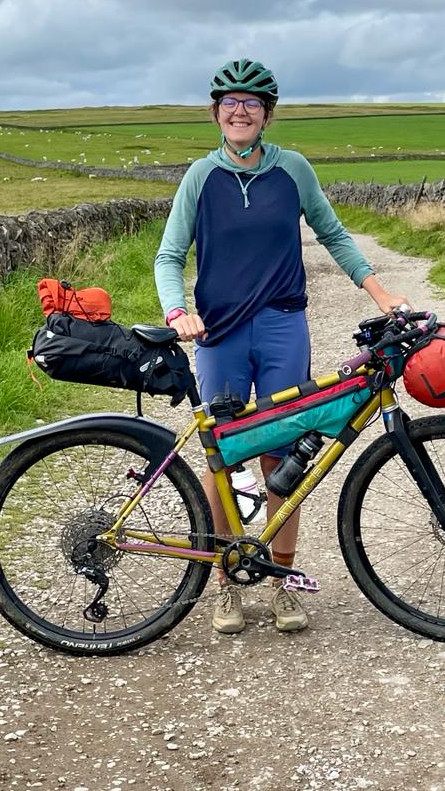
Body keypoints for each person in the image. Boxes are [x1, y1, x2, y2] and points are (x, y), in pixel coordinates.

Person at [154, 58, 408, 636]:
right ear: (216, 112)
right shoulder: (200, 176)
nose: (239, 111)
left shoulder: (292, 170)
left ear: (267, 114)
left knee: (284, 457)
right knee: (225, 459)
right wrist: (177, 312)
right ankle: (226, 584)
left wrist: (379, 292)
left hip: (281, 327)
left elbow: (333, 233)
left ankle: (280, 582)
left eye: (251, 103)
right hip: (218, 333)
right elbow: (168, 257)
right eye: (229, 102)